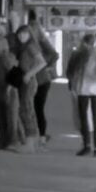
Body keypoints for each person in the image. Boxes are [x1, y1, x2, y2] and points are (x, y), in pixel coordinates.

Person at [66, 33, 96, 157]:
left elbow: (69, 72)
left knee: (83, 118)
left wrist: (72, 84)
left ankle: (87, 146)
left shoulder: (77, 55)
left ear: (84, 43)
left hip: (82, 89)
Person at [11, 24, 47, 151]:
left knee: (26, 110)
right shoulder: (24, 47)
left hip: (29, 81)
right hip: (26, 80)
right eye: (19, 34)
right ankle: (32, 141)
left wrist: (29, 74)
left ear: (30, 34)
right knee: (26, 109)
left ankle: (30, 142)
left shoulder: (31, 46)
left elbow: (42, 62)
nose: (21, 36)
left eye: (24, 34)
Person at [25, 12, 59, 144]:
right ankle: (39, 135)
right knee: (34, 107)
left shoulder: (38, 40)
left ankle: (40, 135)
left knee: (36, 107)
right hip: (39, 79)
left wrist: (44, 65)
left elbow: (54, 54)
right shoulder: (30, 41)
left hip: (41, 79)